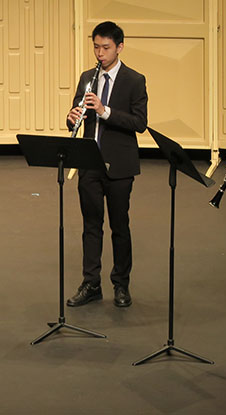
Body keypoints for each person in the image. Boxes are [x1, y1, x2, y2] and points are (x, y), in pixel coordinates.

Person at [66, 21, 147, 308]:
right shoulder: (87, 77)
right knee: (91, 225)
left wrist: (105, 111)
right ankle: (91, 283)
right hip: (89, 162)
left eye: (106, 48)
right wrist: (72, 118)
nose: (100, 54)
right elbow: (76, 114)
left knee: (119, 226)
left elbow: (139, 123)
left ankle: (121, 284)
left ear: (119, 47)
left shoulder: (134, 80)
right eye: (96, 47)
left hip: (120, 165)